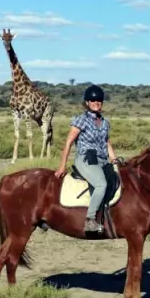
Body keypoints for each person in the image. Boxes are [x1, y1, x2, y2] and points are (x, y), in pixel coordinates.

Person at [54, 84, 119, 233]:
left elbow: (106, 143)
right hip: (85, 159)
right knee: (101, 184)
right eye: (92, 101)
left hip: (102, 160)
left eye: (99, 101)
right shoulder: (81, 120)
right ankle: (90, 220)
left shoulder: (104, 123)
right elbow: (68, 142)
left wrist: (114, 160)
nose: (96, 103)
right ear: (87, 103)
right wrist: (62, 166)